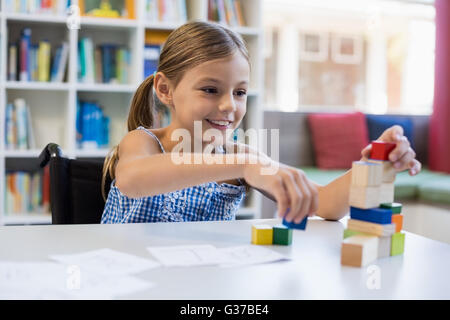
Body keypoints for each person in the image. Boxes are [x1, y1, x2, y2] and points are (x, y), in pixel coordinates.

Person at [100, 21, 421, 224]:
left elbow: (324, 204)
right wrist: (242, 165)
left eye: (240, 92)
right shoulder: (142, 143)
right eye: (210, 90)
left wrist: (375, 164)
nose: (229, 105)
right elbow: (133, 179)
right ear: (165, 89)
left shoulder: (241, 158)